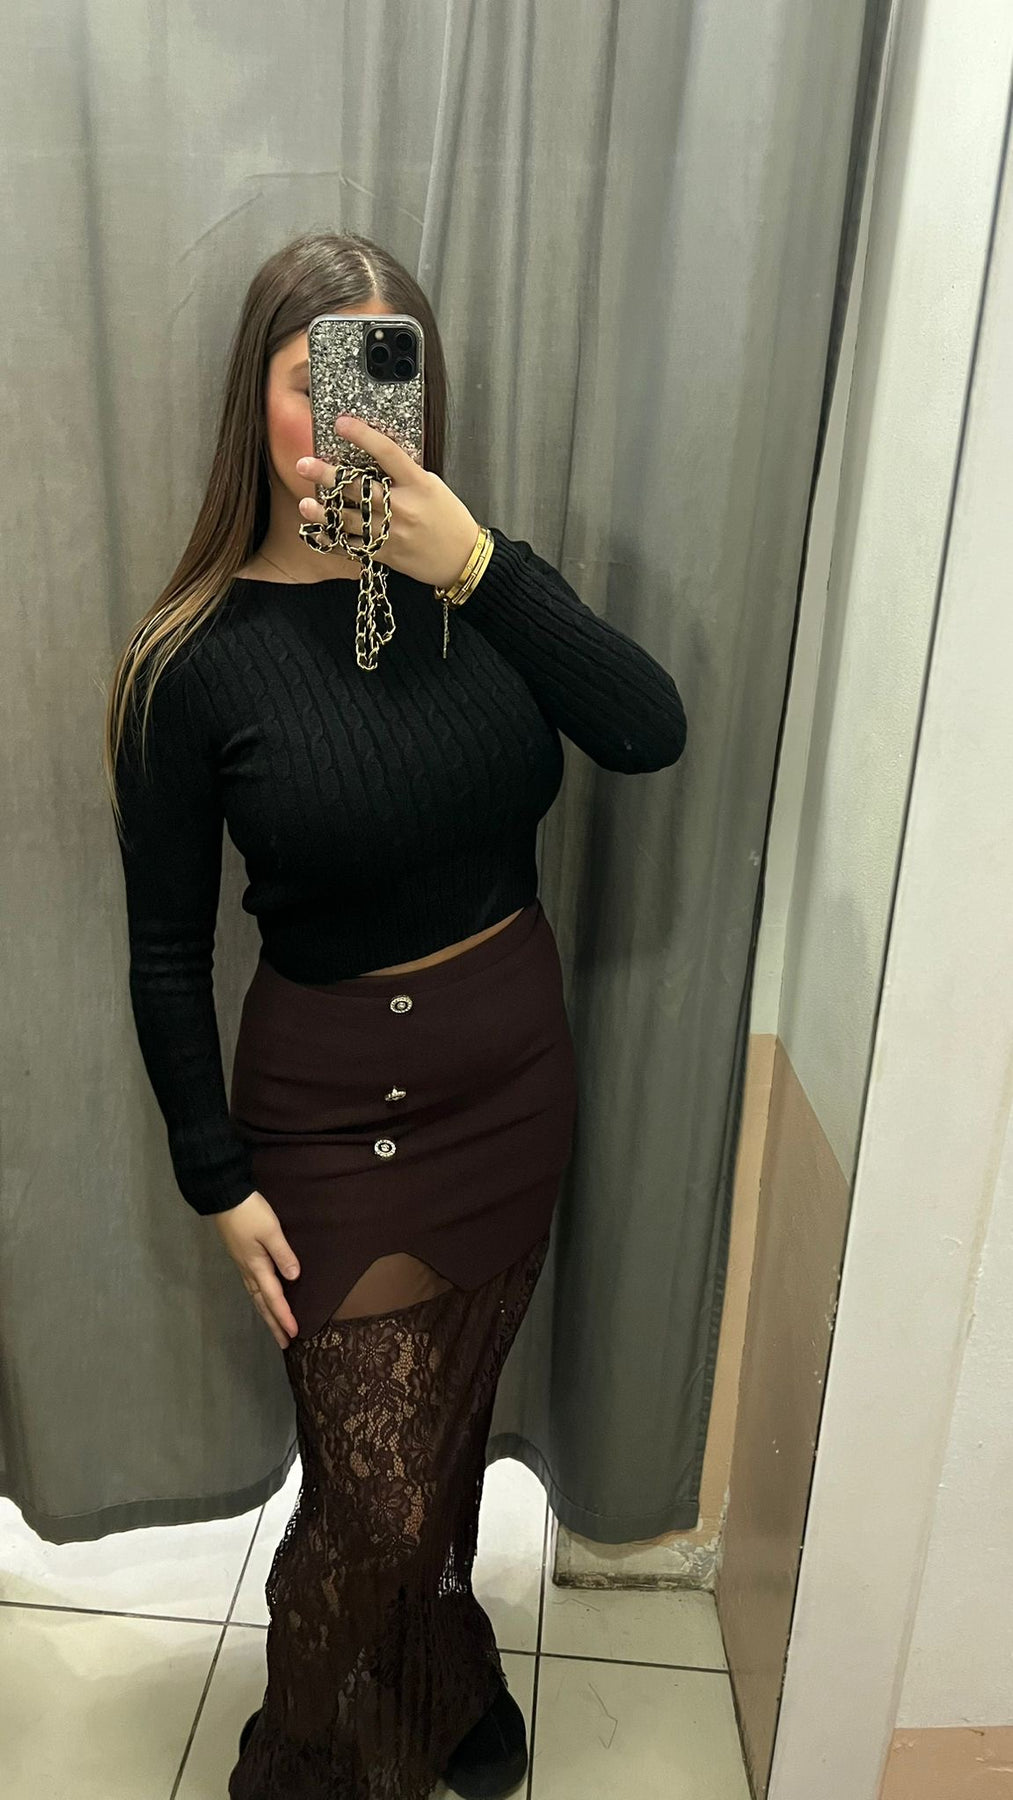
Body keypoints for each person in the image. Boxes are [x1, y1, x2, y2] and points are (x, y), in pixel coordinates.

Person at [104, 229, 687, 1800]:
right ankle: (300, 1759)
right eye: (316, 380)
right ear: (255, 398)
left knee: (449, 1435)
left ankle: (438, 1657)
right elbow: (163, 951)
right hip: (329, 1120)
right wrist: (214, 1178)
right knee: (364, 1500)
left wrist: (474, 564)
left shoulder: (482, 589)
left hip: (514, 1084)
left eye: (384, 378)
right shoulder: (188, 664)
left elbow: (647, 728)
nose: (351, 417)